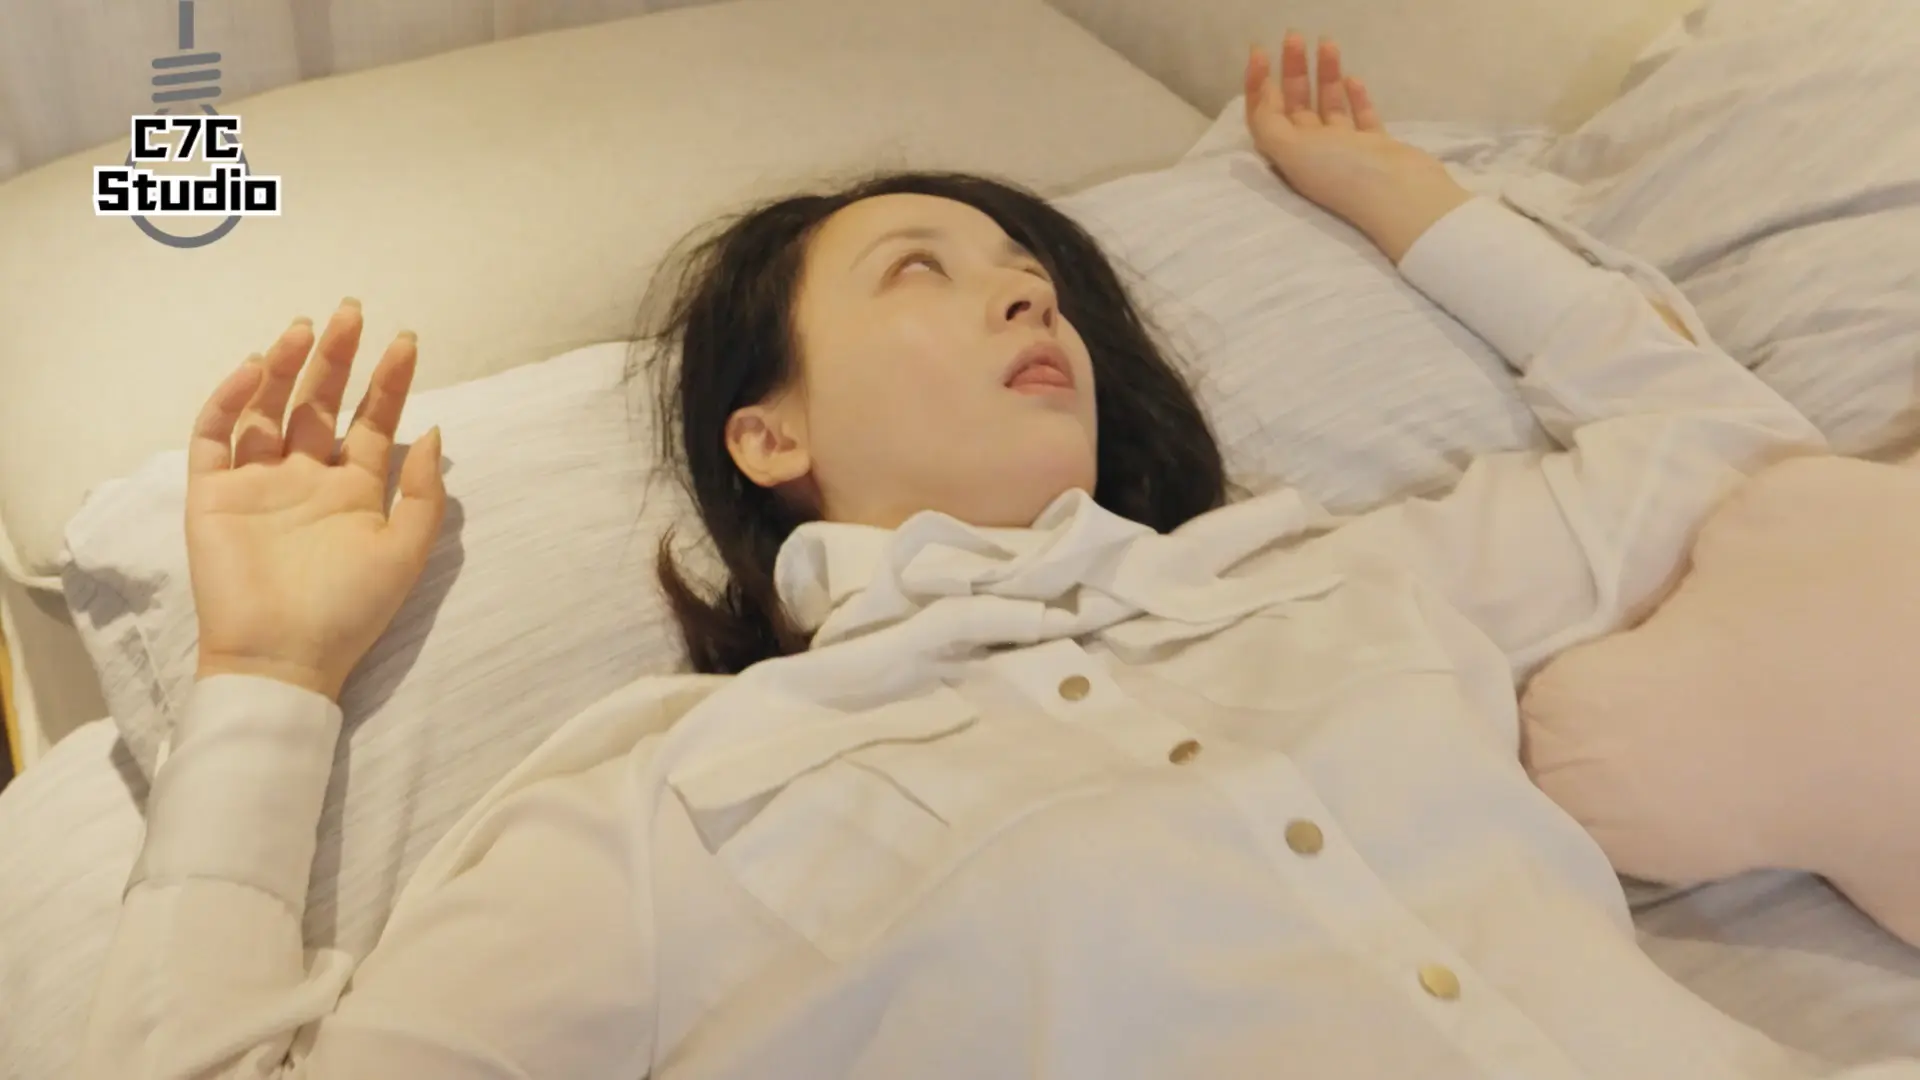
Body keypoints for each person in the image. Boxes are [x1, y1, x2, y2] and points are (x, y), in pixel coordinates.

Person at [71, 33, 1899, 1080]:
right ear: (767, 435)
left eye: (1037, 279)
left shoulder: (1348, 582)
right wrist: (269, 676)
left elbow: (1718, 449)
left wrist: (1406, 200)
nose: (1030, 296)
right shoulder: (679, 807)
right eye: (920, 271)